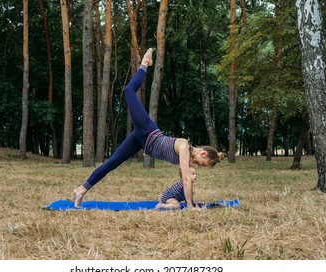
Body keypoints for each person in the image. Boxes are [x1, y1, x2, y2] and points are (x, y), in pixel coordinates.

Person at [73, 48, 223, 210]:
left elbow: (184, 182)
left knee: (113, 162)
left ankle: (81, 190)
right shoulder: (184, 147)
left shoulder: (187, 155)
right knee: (129, 90)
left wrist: (190, 203)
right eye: (204, 163)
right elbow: (186, 179)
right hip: (147, 131)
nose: (200, 166)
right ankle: (145, 63)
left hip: (142, 141)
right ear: (203, 153)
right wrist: (190, 206)